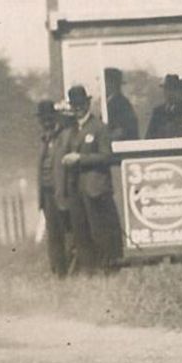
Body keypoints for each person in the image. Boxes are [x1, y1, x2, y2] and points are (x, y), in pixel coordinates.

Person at [62, 85, 123, 273]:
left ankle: (107, 269)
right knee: (81, 232)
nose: (78, 108)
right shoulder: (72, 129)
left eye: (81, 104)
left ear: (87, 104)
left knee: (101, 231)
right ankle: (90, 271)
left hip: (96, 187)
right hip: (77, 189)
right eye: (74, 105)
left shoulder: (99, 128)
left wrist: (80, 159)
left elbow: (107, 156)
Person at [36, 99, 72, 277]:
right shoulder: (45, 139)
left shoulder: (65, 136)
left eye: (49, 118)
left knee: (67, 231)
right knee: (53, 232)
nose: (46, 122)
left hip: (62, 191)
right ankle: (58, 271)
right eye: (43, 119)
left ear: (55, 117)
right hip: (47, 192)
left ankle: (70, 268)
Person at [146, 74, 182, 139]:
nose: (169, 93)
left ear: (179, 91)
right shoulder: (158, 112)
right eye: (166, 89)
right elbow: (149, 136)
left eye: (173, 89)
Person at [104, 67, 139, 141]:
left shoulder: (121, 104)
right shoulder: (108, 103)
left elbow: (124, 130)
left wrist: (106, 138)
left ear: (112, 83)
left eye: (105, 82)